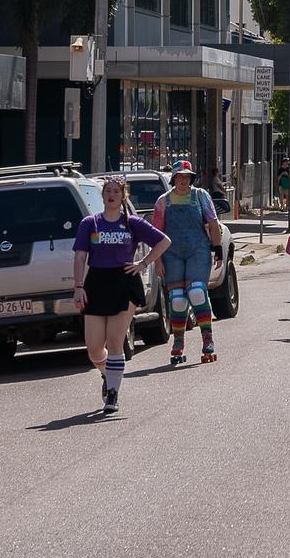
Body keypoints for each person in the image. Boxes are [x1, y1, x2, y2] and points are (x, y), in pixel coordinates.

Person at [76, 177, 171, 413]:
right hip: (96, 283)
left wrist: (143, 263)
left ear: (123, 195)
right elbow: (79, 256)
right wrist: (78, 286)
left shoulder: (132, 223)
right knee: (94, 348)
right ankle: (108, 374)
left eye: (116, 191)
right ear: (103, 196)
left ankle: (113, 395)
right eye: (107, 191)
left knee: (116, 339)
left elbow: (163, 241)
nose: (111, 194)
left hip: (124, 282)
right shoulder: (90, 223)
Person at [153, 160, 223, 366]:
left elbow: (212, 222)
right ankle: (178, 342)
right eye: (179, 177)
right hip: (171, 253)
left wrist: (217, 248)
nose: (183, 180)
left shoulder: (201, 196)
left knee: (197, 292)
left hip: (198, 250)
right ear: (173, 178)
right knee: (177, 299)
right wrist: (157, 262)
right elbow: (156, 234)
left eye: (187, 177)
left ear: (191, 178)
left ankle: (207, 339)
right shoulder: (162, 202)